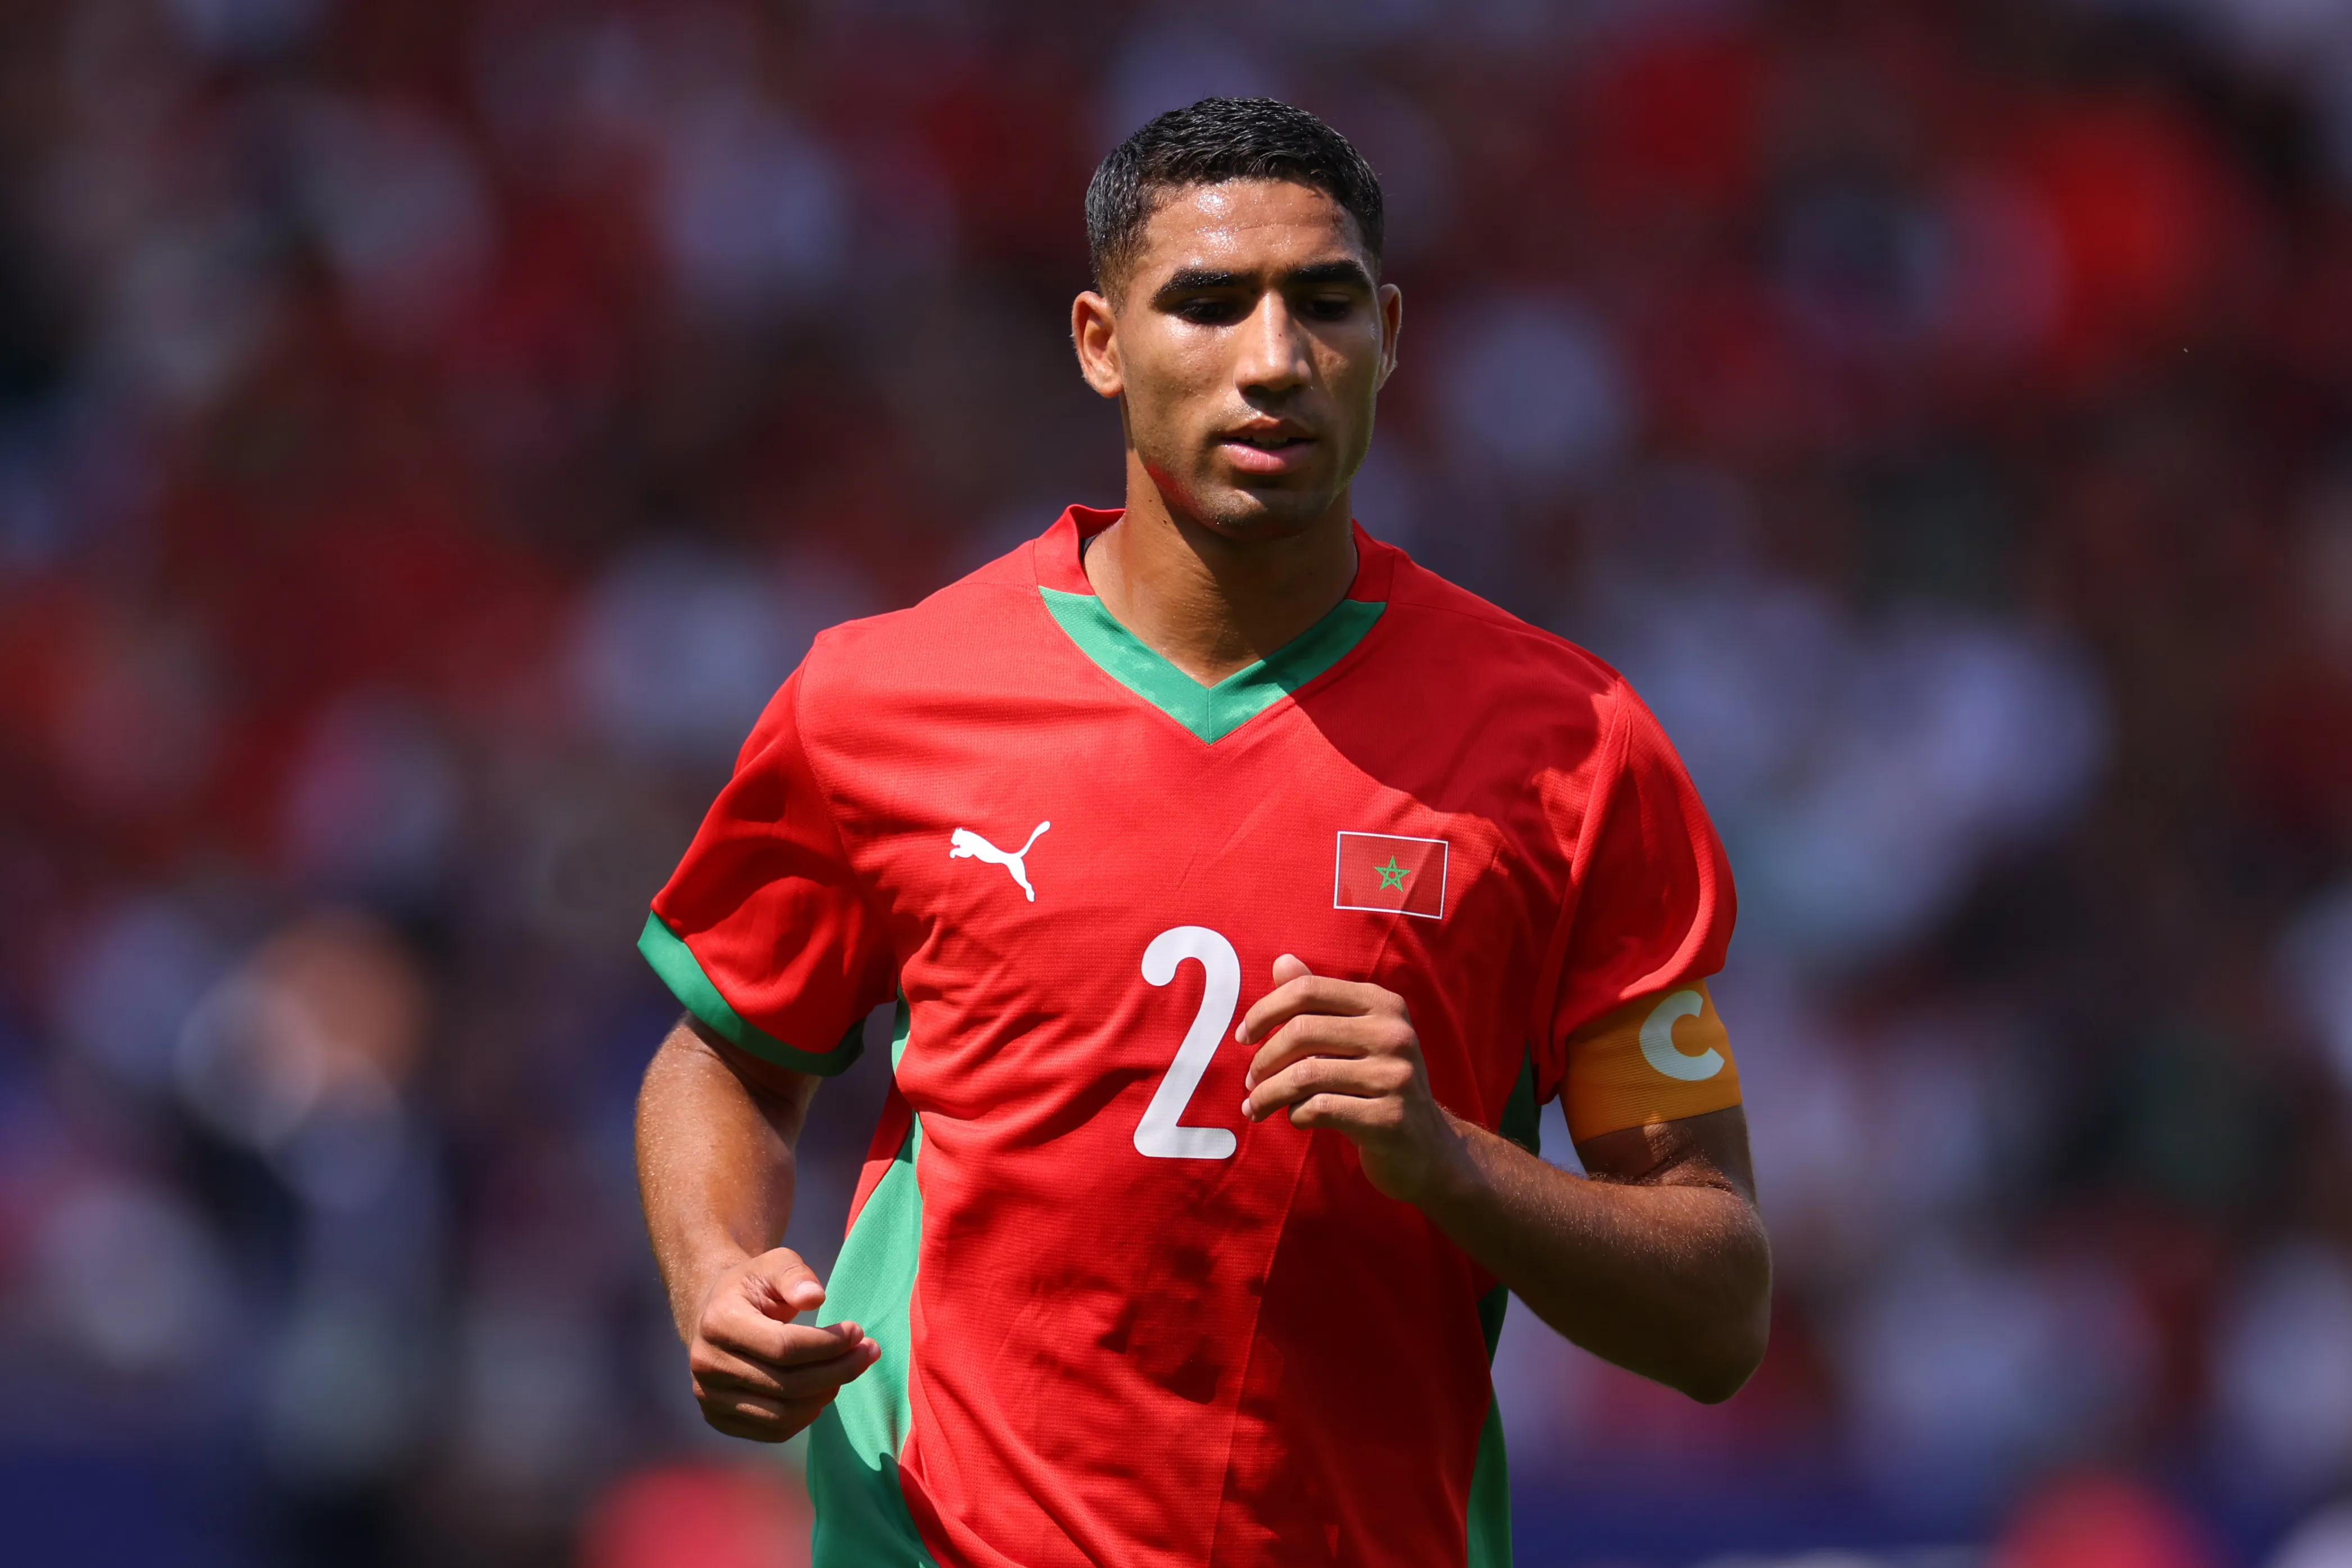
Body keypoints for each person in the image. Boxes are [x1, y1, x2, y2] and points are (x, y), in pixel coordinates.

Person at [633, 96, 1770, 1568]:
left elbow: (1718, 1308)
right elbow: (731, 1047)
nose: (1275, 361)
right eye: (1210, 304)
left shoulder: (1573, 748)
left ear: (1393, 334)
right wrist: (718, 1273)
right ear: (1103, 343)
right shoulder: (881, 696)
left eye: (1325, 304)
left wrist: (1451, 1159)